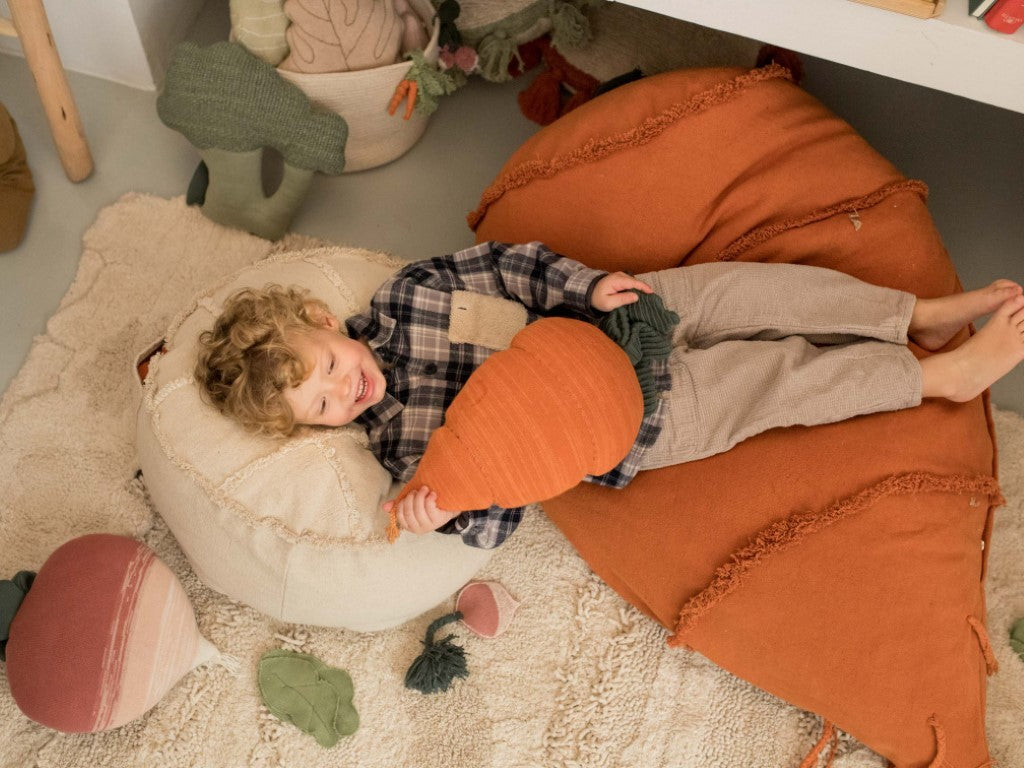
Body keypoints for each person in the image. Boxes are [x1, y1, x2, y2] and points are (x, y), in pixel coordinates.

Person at [196, 241, 1024, 549]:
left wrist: (588, 289)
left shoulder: (411, 294)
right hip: (638, 422)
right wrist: (445, 515)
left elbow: (507, 265)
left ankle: (914, 316)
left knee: (760, 295)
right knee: (782, 381)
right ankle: (933, 376)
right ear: (317, 430)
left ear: (322, 319)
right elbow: (507, 506)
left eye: (330, 367)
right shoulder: (402, 449)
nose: (349, 389)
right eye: (325, 406)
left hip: (617, 316)